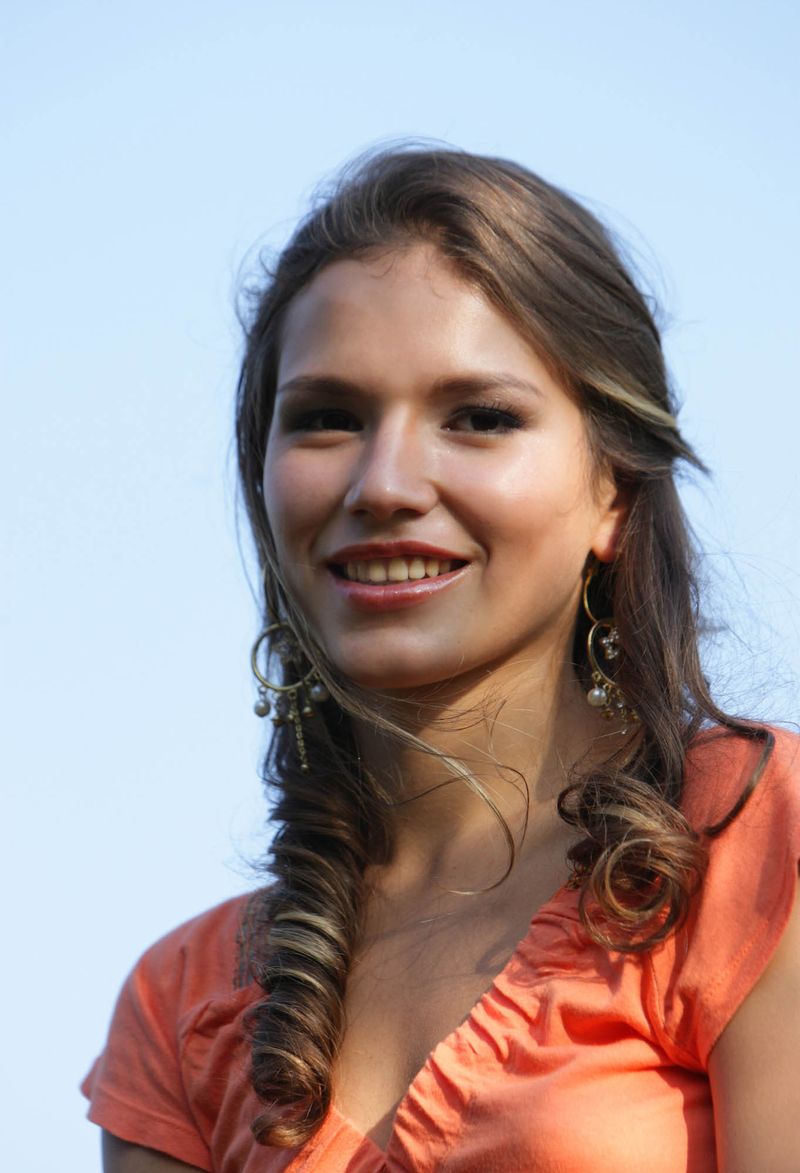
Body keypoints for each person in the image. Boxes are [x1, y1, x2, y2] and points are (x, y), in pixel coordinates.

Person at [83, 147, 800, 1172]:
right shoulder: (180, 1005)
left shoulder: (748, 841)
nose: (383, 482)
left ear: (614, 493)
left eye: (478, 418)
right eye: (327, 418)